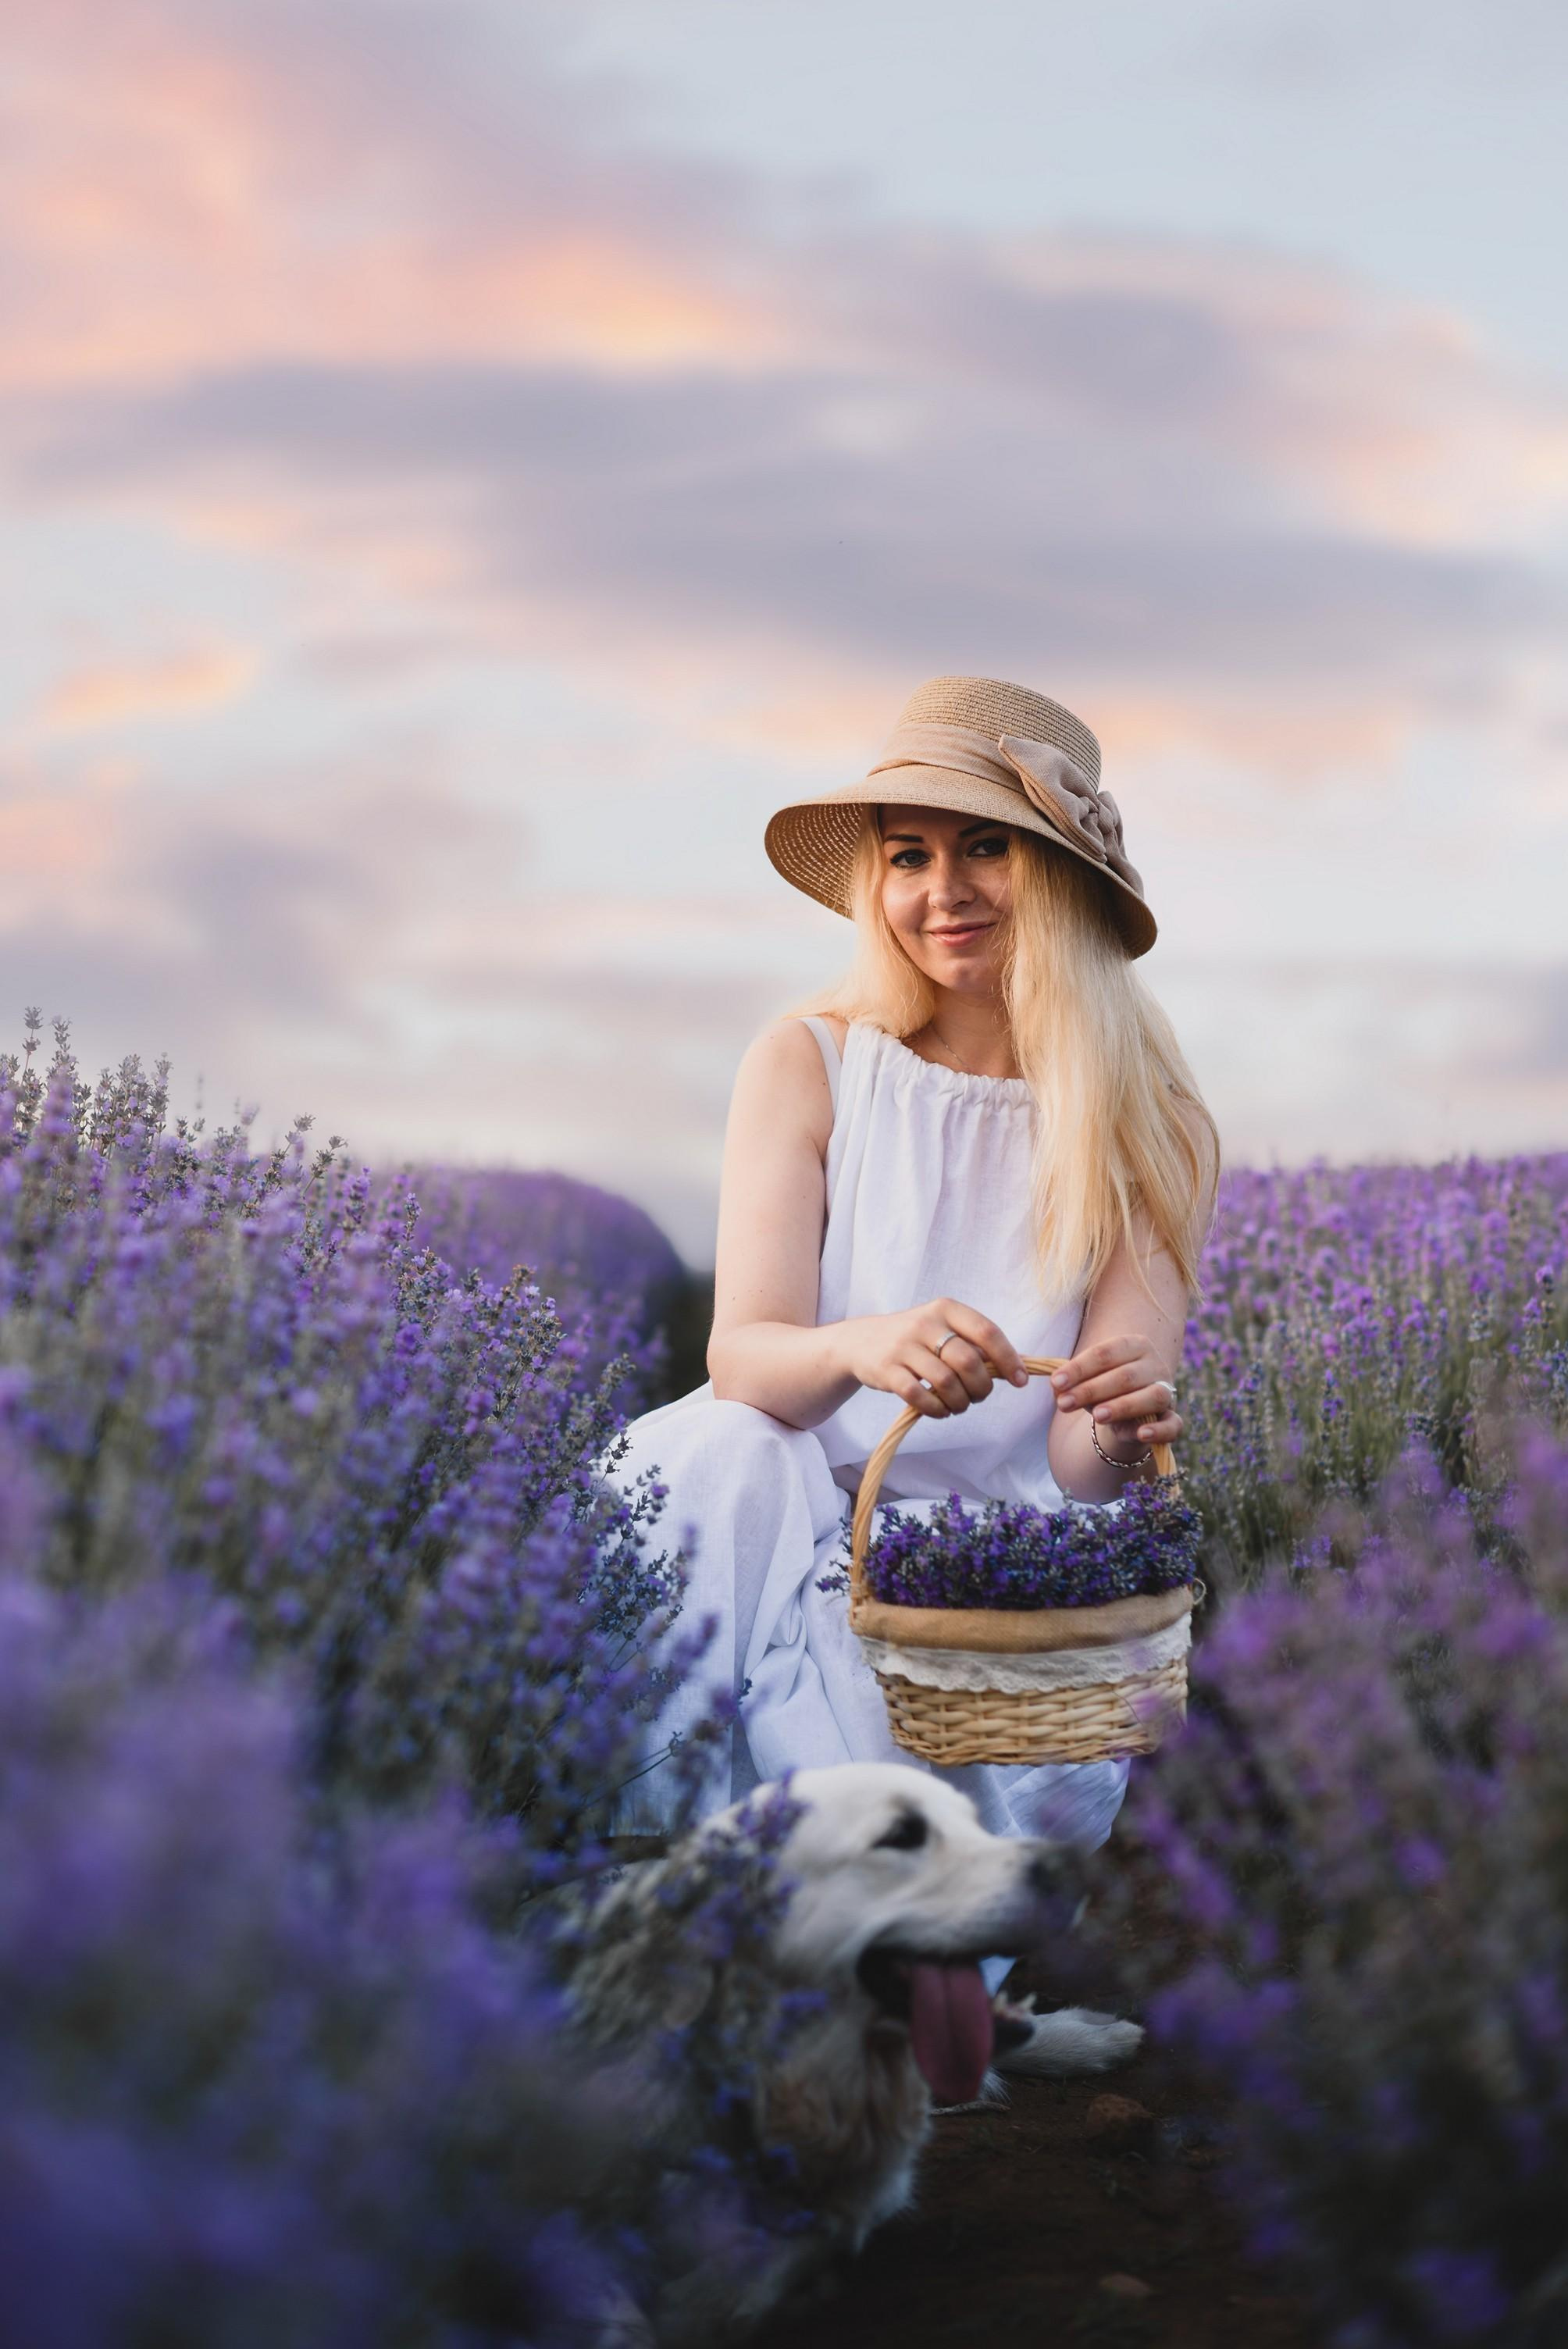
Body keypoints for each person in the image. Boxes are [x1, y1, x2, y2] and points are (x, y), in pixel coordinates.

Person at [612, 673, 1217, 1884]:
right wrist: (859, 1348)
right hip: (783, 1515)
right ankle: (638, 1860)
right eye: (907, 855)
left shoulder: (1153, 1126)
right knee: (735, 1449)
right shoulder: (810, 1064)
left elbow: (1072, 1463)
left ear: (1059, 876)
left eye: (987, 848)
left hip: (975, 1556)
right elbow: (744, 1359)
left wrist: (1113, 1418)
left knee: (891, 1833)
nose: (942, 892)